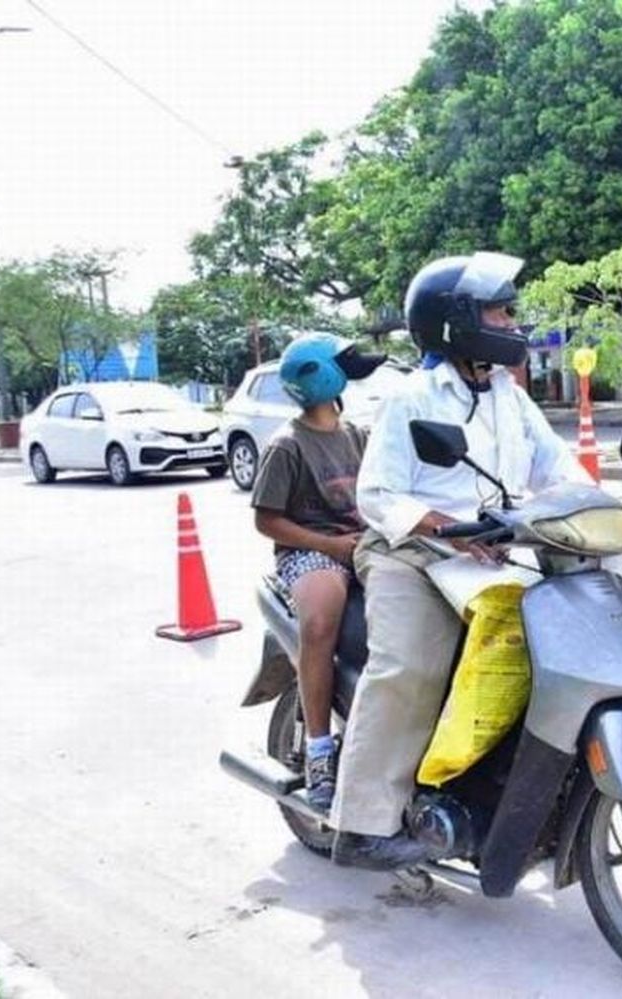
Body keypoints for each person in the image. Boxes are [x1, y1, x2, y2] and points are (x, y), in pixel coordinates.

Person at [330, 252, 590, 871]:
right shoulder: (412, 397)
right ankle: (361, 826)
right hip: (410, 552)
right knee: (411, 666)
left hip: (492, 550)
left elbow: (557, 467)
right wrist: (447, 528)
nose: (511, 321)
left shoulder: (508, 397)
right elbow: (378, 497)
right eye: (499, 311)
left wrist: (591, 505)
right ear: (457, 323)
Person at [250, 332, 382, 809]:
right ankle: (320, 750)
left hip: (365, 543)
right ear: (319, 376)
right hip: (312, 550)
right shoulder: (287, 446)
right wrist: (330, 545)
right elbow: (267, 520)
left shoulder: (358, 436)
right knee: (321, 623)